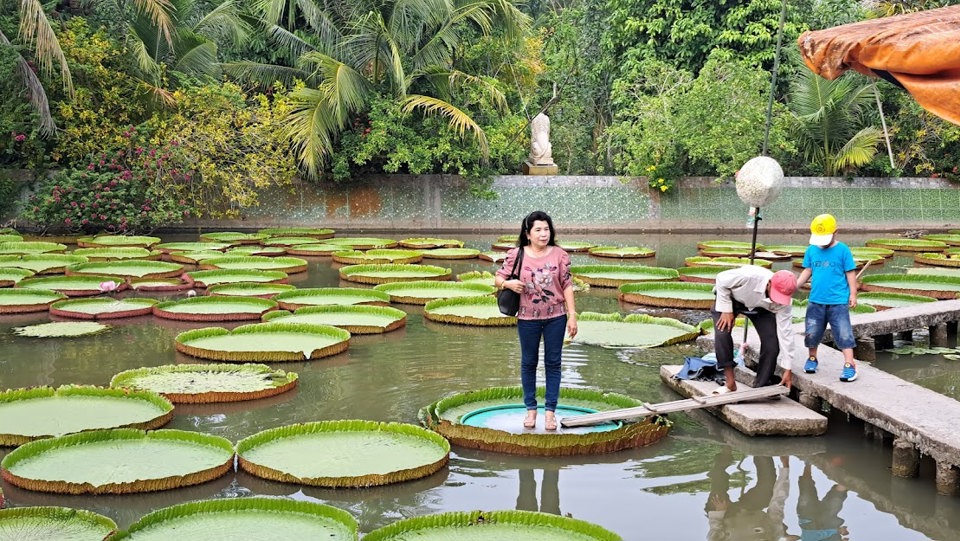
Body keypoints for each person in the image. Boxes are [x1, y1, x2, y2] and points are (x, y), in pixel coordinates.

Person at [494, 210, 577, 431]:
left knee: (553, 363)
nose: (543, 234)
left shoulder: (560, 255)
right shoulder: (517, 254)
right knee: (529, 363)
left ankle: (550, 412)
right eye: (538, 230)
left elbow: (567, 285)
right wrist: (508, 285)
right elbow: (499, 277)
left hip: (556, 317)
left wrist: (573, 315)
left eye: (546, 229)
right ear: (527, 233)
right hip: (527, 317)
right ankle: (531, 409)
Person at [711, 266, 798, 394]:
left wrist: (788, 368)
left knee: (772, 343)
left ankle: (761, 385)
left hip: (762, 308)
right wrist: (726, 310)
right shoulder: (749, 277)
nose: (777, 300)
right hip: (732, 299)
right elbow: (721, 279)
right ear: (769, 283)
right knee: (722, 332)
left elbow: (786, 333)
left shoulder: (784, 303)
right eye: (776, 294)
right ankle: (730, 383)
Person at [796, 214, 859, 382]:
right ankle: (812, 358)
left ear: (836, 232)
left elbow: (850, 272)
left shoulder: (843, 250)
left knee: (844, 332)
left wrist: (853, 294)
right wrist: (795, 285)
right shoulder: (811, 250)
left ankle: (849, 364)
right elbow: (807, 270)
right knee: (812, 332)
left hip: (837, 301)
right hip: (816, 300)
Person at [705, 448, 792, 541]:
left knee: (717, 500)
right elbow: (777, 502)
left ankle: (724, 456)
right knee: (767, 493)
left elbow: (713, 535)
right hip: (751, 510)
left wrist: (719, 513)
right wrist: (785, 467)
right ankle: (760, 451)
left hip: (726, 514)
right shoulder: (774, 534)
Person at [797, 463, 849, 541]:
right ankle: (849, 477)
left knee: (806, 487)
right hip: (824, 520)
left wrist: (837, 530)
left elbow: (811, 536)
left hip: (808, 517)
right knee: (836, 496)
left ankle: (808, 462)